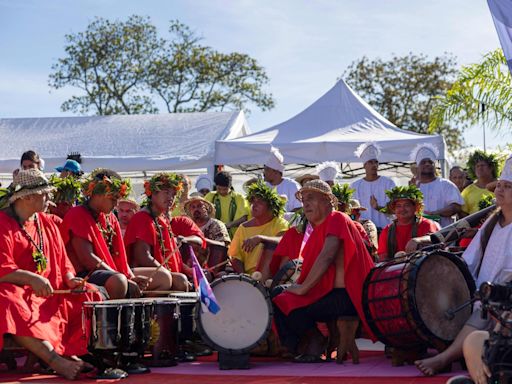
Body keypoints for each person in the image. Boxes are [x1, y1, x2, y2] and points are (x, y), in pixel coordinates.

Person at [415, 154, 512, 376]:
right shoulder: (492, 222)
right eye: (500, 185)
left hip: (504, 299)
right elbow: (471, 258)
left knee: (485, 313)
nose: (499, 190)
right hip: (481, 293)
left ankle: (445, 358)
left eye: (507, 187)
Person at [0, 169, 101, 379]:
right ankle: (55, 360)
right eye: (45, 194)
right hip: (18, 290)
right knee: (9, 300)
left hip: (50, 289)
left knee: (90, 293)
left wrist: (70, 279)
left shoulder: (47, 221)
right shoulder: (2, 223)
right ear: (27, 197)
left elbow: (63, 260)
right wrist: (31, 278)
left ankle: (74, 353)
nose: (50, 198)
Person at [272, 180, 375, 361]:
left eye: (311, 198)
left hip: (346, 296)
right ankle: (305, 342)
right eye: (304, 201)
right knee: (279, 294)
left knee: (281, 298)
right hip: (334, 294)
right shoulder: (319, 229)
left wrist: (302, 288)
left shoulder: (337, 218)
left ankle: (312, 341)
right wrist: (298, 286)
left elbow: (327, 257)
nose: (306, 204)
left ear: (328, 200)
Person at [61, 169, 150, 299]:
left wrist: (131, 277)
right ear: (99, 194)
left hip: (108, 272)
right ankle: (108, 319)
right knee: (119, 281)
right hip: (81, 274)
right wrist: (124, 278)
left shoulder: (110, 218)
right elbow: (88, 259)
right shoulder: (77, 214)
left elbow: (120, 257)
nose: (115, 205)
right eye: (113, 199)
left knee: (165, 279)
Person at [124, 173, 205, 292]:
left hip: (162, 272)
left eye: (173, 194)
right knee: (175, 280)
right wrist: (170, 274)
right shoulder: (142, 218)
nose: (170, 197)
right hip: (139, 274)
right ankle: (147, 311)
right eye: (166, 192)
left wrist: (188, 270)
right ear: (152, 194)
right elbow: (143, 257)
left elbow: (172, 256)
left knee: (186, 280)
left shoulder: (162, 219)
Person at [229, 180, 289, 275]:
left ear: (271, 206)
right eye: (252, 201)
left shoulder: (280, 223)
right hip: (249, 277)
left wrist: (260, 238)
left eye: (260, 202)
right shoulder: (243, 228)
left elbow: (285, 241)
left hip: (272, 276)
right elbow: (235, 257)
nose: (254, 205)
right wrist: (243, 276)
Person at [377, 185, 439, 260]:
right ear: (394, 210)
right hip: (396, 269)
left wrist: (418, 240)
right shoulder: (387, 231)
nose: (402, 209)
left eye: (407, 205)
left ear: (416, 208)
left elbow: (436, 239)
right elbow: (383, 259)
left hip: (424, 268)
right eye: (398, 206)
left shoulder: (426, 224)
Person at [412, 143, 463, 228]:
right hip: (418, 234)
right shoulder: (414, 188)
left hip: (443, 235)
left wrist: (435, 213)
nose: (427, 164)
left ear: (434, 165)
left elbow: (456, 207)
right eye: (423, 162)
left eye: (430, 162)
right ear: (418, 167)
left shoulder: (446, 184)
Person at [351, 142, 395, 231]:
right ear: (364, 165)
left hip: (386, 230)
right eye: (370, 162)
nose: (374, 165)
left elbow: (394, 209)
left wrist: (377, 207)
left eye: (376, 162)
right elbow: (352, 212)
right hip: (363, 231)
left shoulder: (388, 183)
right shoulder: (355, 186)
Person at [183, 195, 230, 272]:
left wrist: (202, 241)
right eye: (193, 207)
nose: (196, 209)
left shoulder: (216, 224)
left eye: (199, 206)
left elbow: (224, 245)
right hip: (191, 267)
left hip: (216, 268)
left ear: (206, 209)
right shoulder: (187, 226)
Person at [205, 171, 249, 238]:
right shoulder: (210, 196)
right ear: (215, 186)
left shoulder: (239, 198)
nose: (222, 191)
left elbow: (244, 218)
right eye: (219, 189)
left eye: (225, 189)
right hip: (214, 236)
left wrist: (227, 225)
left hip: (235, 237)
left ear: (230, 186)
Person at [460, 150, 499, 217]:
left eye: (482, 165)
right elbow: (463, 214)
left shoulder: (502, 186)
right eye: (477, 166)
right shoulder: (467, 191)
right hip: (475, 227)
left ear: (491, 168)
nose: (480, 168)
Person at [263, 146, 302, 213]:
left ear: (275, 172)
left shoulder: (292, 185)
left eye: (266, 170)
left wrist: (281, 218)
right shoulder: (264, 187)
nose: (264, 173)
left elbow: (299, 208)